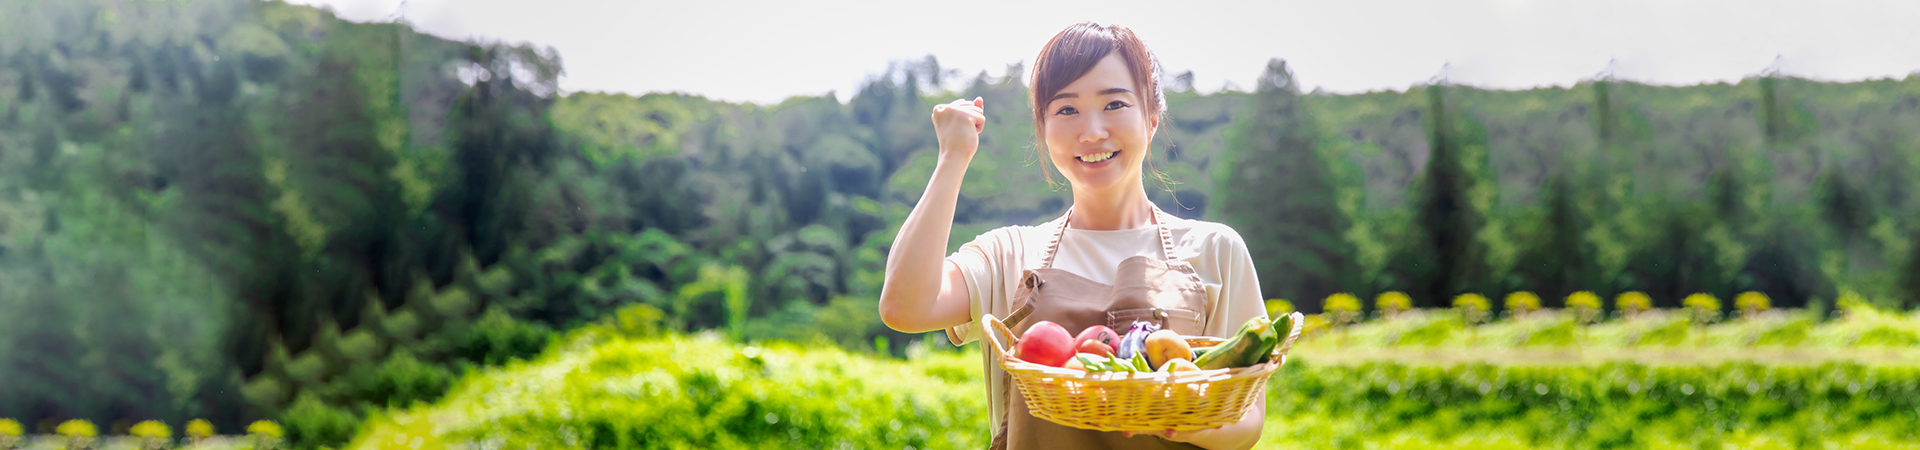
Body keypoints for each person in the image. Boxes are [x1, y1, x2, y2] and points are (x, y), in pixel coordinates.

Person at [878, 22, 1267, 450]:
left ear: (1152, 118)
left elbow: (1247, 420)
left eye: (1115, 104)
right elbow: (904, 307)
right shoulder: (1009, 253)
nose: (1092, 131)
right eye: (1066, 110)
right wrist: (952, 158)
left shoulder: (1215, 250)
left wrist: (1152, 410)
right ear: (1043, 129)